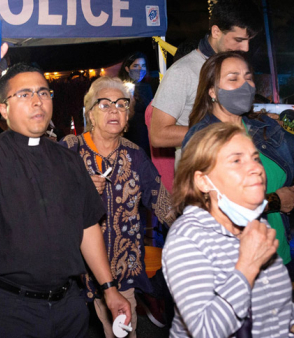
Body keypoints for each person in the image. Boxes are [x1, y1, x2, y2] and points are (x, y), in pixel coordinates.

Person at [0, 24, 131, 337]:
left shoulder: (67, 158)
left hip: (68, 307)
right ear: (4, 110)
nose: (37, 101)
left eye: (43, 92)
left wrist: (109, 288)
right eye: (24, 94)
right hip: (9, 309)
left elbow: (87, 225)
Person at [60, 77, 174, 337]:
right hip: (74, 269)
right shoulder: (69, 150)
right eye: (105, 104)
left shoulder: (135, 155)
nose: (114, 110)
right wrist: (78, 188)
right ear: (90, 113)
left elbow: (162, 202)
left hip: (123, 268)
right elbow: (44, 198)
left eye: (122, 104)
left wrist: (195, 229)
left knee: (122, 332)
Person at [163, 122, 294, 337]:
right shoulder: (187, 239)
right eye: (236, 161)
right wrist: (248, 265)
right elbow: (205, 331)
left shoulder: (256, 223)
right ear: (203, 181)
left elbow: (276, 310)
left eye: (254, 158)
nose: (256, 168)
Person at [182, 51, 294, 271]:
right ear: (212, 91)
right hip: (235, 265)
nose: (246, 86)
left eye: (248, 77)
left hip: (279, 257)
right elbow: (204, 207)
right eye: (233, 79)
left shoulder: (266, 128)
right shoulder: (201, 139)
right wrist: (274, 202)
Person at [150, 0, 262, 168]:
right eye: (238, 39)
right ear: (216, 31)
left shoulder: (240, 67)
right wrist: (221, 128)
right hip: (200, 175)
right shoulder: (182, 71)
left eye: (249, 40)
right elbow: (158, 135)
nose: (245, 48)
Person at [119, 52, 153, 158]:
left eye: (143, 66)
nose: (140, 69)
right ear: (127, 68)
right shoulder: (120, 87)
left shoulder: (147, 87)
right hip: (127, 135)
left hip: (145, 136)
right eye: (135, 66)